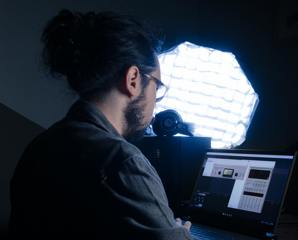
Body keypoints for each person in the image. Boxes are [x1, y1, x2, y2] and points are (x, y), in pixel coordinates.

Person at [9, 9, 192, 239]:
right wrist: (180, 233)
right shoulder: (123, 162)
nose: (156, 101)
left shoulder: (41, 144)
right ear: (133, 79)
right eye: (157, 86)